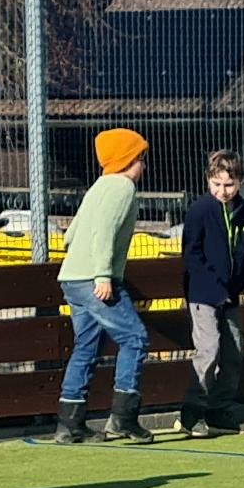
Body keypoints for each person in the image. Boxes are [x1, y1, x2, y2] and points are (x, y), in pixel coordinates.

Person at [55, 128, 153, 444]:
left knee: (87, 345)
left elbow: (72, 235)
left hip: (72, 278)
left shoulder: (99, 186)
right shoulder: (123, 188)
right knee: (135, 338)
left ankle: (69, 424)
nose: (143, 165)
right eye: (140, 158)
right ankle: (123, 418)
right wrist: (103, 275)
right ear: (127, 159)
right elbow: (104, 232)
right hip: (93, 280)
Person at [176, 149, 244, 438]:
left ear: (240, 182)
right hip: (204, 295)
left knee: (234, 350)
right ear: (208, 180)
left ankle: (219, 410)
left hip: (230, 296)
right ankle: (192, 411)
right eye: (217, 184)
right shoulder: (200, 210)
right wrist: (215, 288)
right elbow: (192, 254)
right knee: (209, 348)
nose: (223, 191)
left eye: (229, 185)